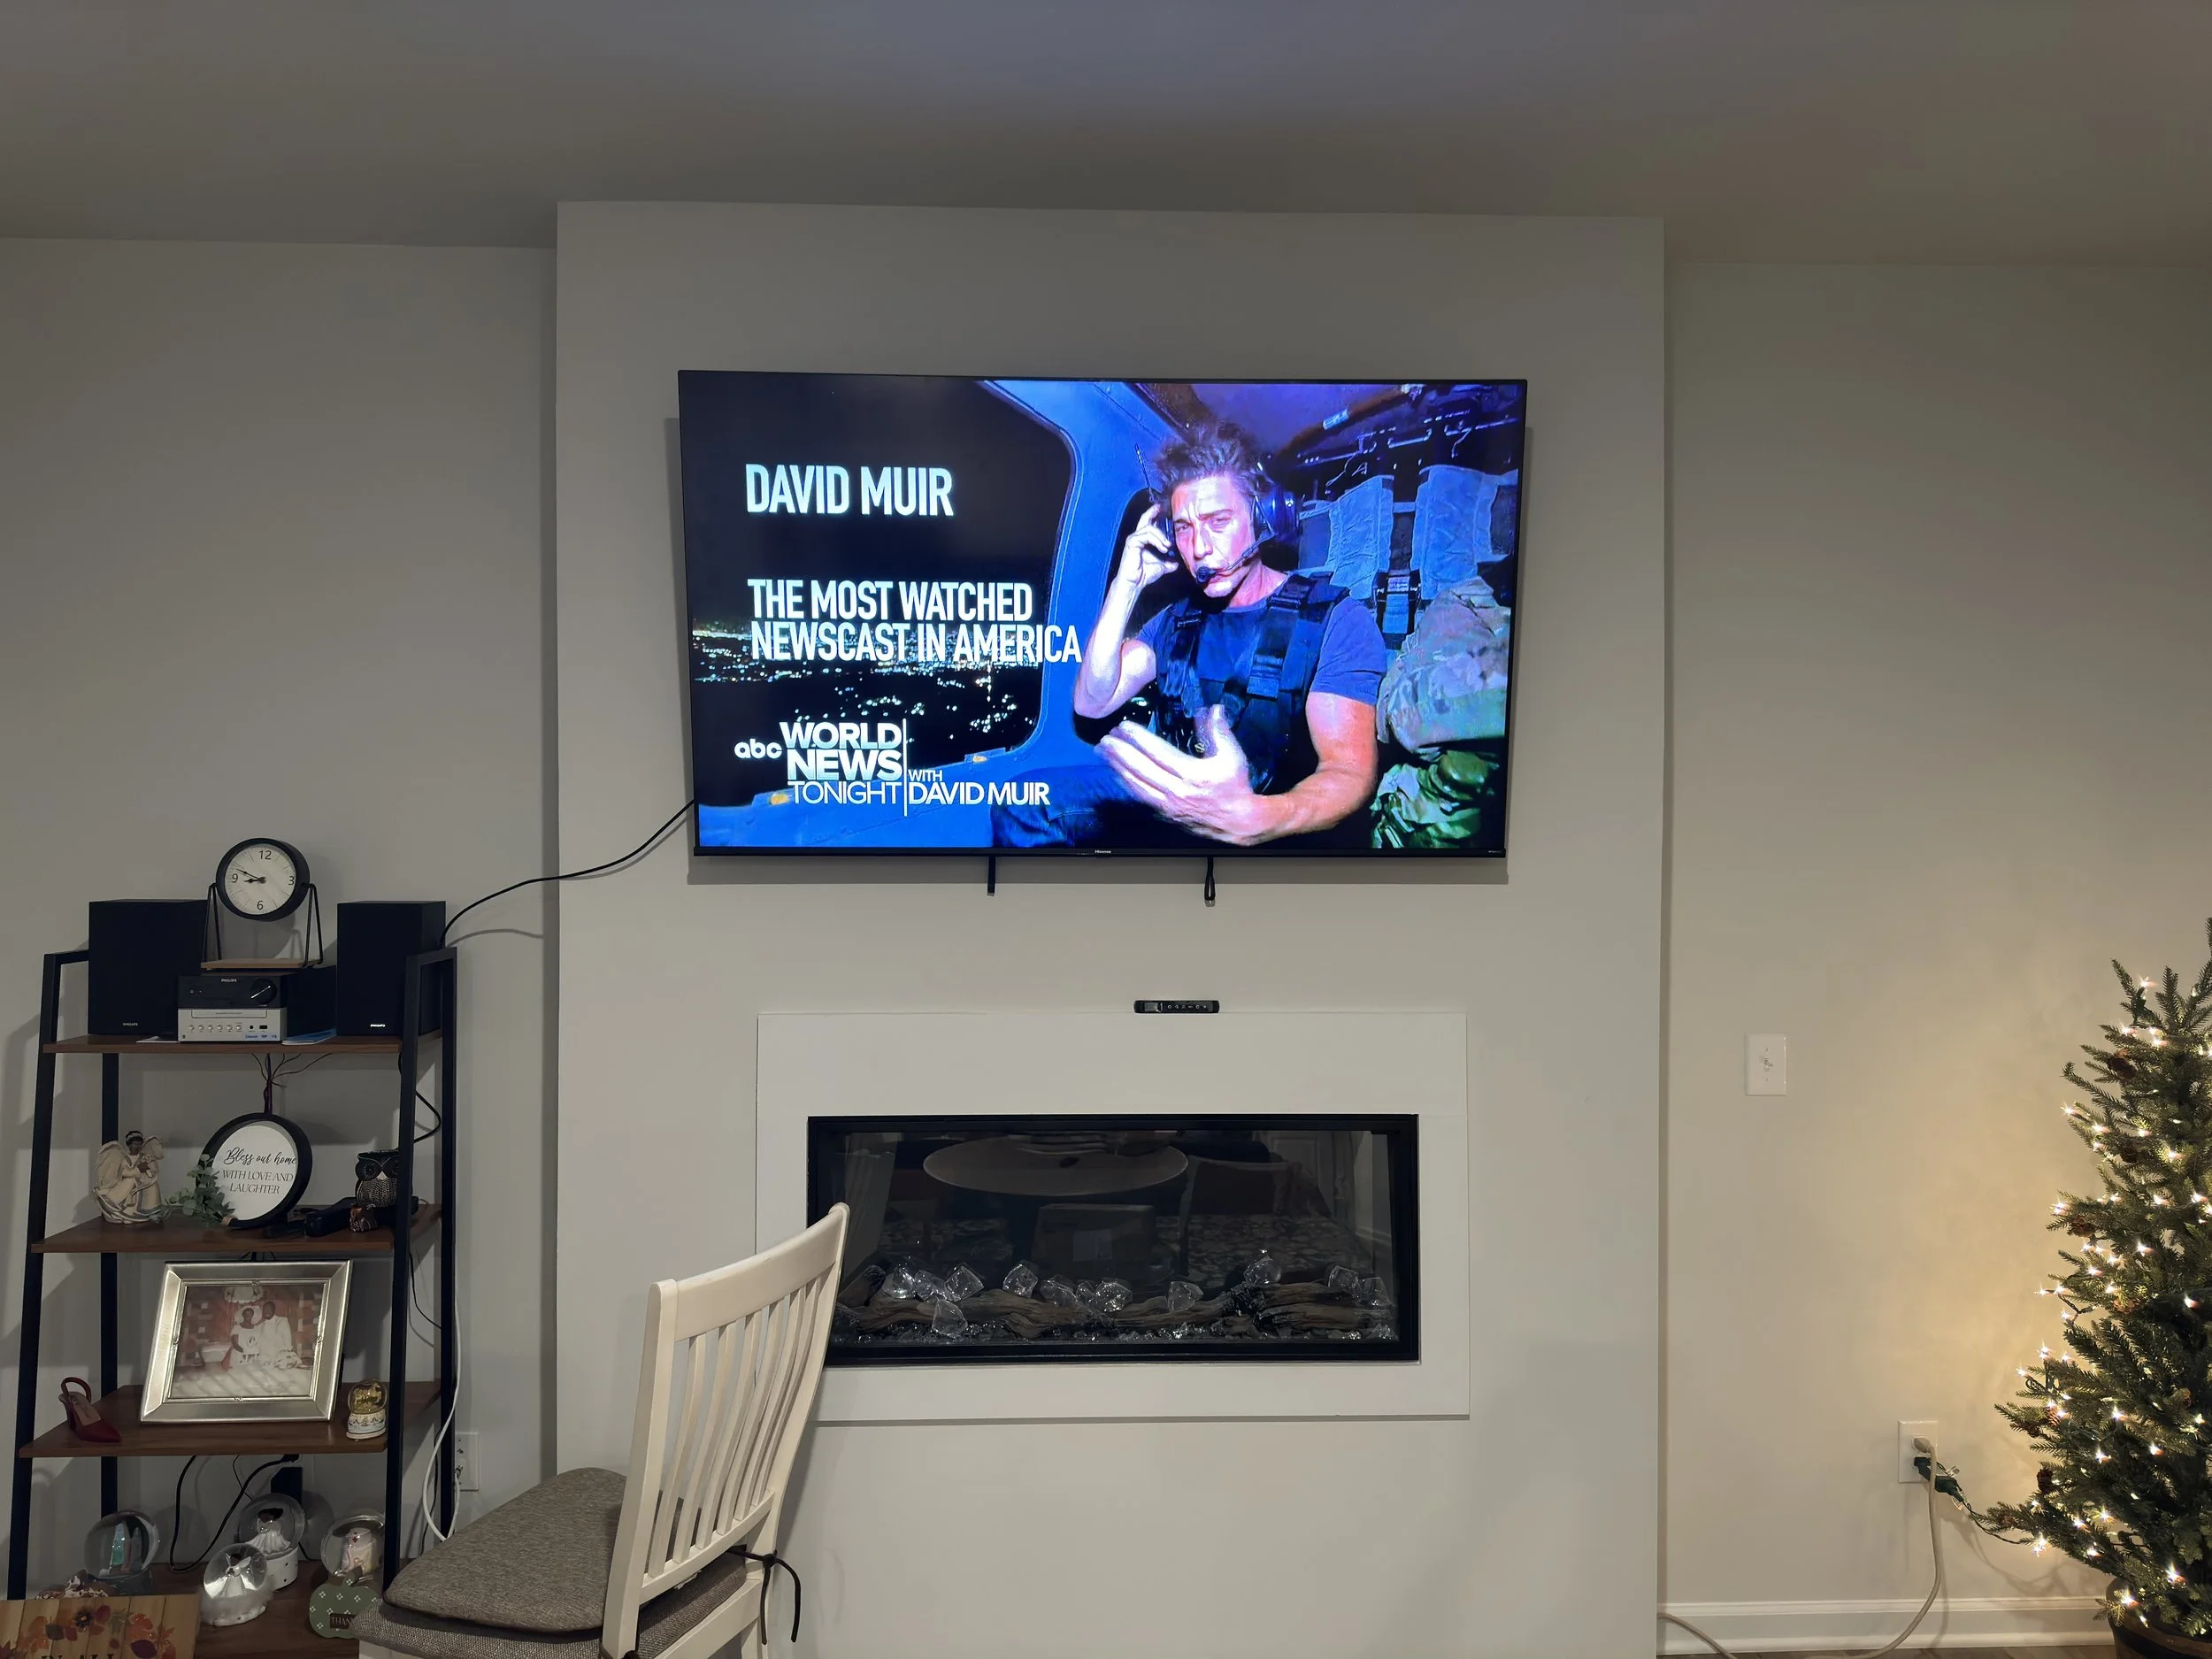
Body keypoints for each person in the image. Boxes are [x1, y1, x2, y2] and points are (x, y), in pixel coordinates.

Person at [992, 421, 1385, 848]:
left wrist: (1259, 817)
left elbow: (1347, 772)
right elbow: (1092, 701)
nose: (1199, 547)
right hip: (1171, 806)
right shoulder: (1176, 620)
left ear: (1263, 519)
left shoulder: (1334, 620)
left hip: (1271, 817)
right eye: (1183, 528)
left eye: (1219, 521)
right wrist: (1127, 584)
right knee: (1021, 804)